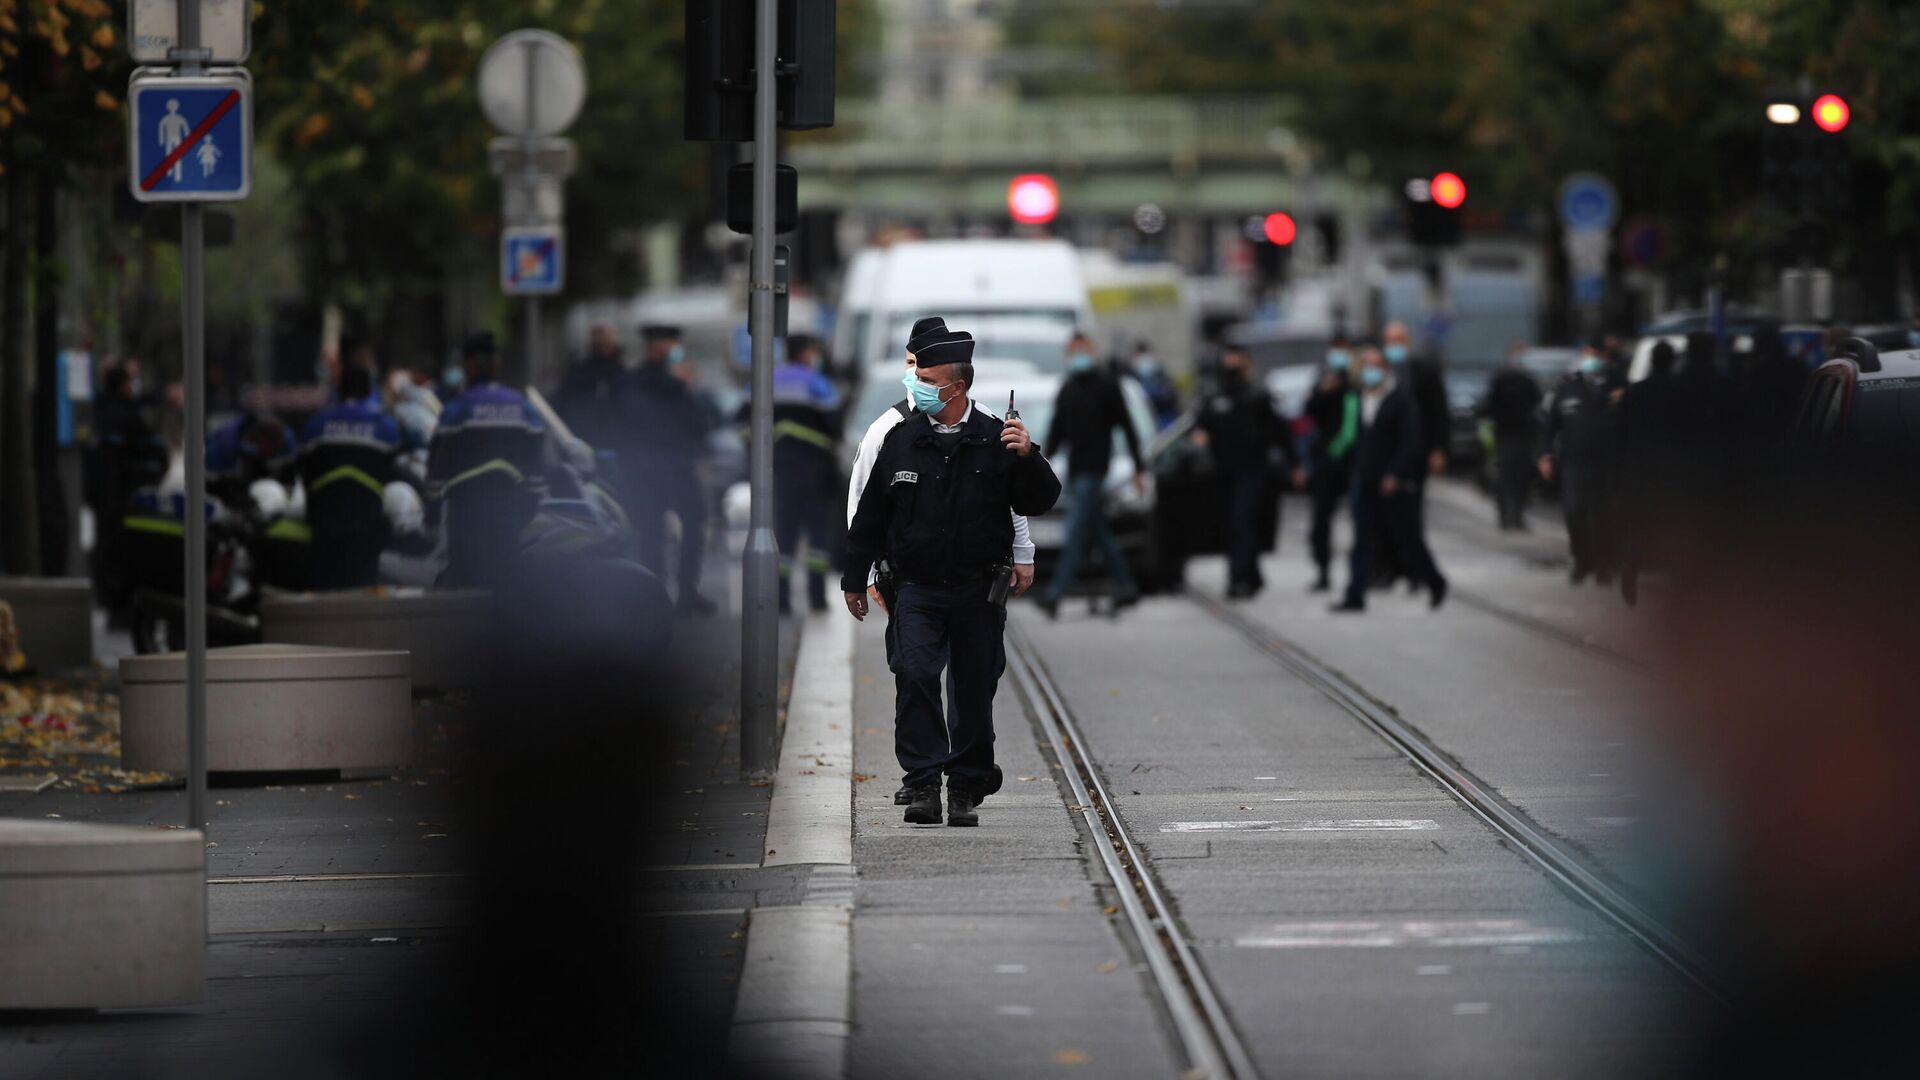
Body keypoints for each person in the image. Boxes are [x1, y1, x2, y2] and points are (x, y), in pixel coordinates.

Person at [842, 322, 1061, 827]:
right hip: (916, 587)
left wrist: (1029, 456)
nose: (916, 382)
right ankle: (921, 782)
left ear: (957, 387)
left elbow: (1036, 501)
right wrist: (857, 579)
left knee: (974, 687)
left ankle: (965, 784)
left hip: (977, 589)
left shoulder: (994, 438)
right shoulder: (898, 437)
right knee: (915, 674)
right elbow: (868, 515)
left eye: (928, 376)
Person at [1037, 331, 1147, 617]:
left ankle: (1055, 592)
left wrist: (1139, 467)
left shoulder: (1107, 386)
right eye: (1074, 351)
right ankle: (1126, 586)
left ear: (1092, 351)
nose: (1078, 356)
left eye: (1083, 350)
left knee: (1076, 531)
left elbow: (1127, 427)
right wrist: (1041, 466)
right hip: (1075, 470)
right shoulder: (1069, 387)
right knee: (1098, 532)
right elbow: (1056, 431)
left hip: (1096, 470)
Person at [427, 332, 548, 588]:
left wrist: (432, 513)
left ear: (469, 366)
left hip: (466, 509)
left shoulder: (458, 408)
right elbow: (537, 460)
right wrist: (532, 501)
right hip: (509, 506)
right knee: (506, 578)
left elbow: (437, 466)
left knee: (466, 579)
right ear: (497, 365)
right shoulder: (522, 406)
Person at [1332, 346, 1447, 612]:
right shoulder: (1358, 397)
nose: (1370, 372)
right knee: (1361, 540)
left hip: (1393, 482)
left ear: (1385, 369)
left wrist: (1396, 473)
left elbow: (1411, 440)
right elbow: (1354, 437)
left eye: (1375, 366)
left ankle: (1435, 581)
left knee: (1407, 538)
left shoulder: (1401, 399)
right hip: (1365, 479)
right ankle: (1355, 595)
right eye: (1366, 366)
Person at [624, 324, 717, 615]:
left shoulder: (675, 382)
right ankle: (661, 593)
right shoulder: (645, 382)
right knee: (653, 529)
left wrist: (689, 388)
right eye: (670, 343)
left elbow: (702, 422)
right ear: (655, 346)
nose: (674, 349)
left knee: (687, 524)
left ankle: (682, 592)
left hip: (671, 465)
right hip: (655, 466)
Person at [1192, 343, 1293, 599]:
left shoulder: (1257, 396)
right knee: (1235, 526)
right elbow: (1199, 430)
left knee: (1243, 522)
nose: (1232, 367)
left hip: (1252, 470)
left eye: (1237, 361)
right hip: (1224, 472)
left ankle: (1238, 578)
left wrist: (1295, 464)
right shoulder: (1214, 398)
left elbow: (1279, 432)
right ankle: (1252, 575)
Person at [754, 334, 843, 613]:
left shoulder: (768, 380)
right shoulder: (817, 383)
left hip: (779, 470)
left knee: (784, 536)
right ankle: (817, 597)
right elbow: (835, 424)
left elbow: (746, 421)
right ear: (805, 353)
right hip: (815, 470)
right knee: (818, 537)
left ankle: (781, 599)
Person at [301, 365, 402, 589]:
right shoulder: (384, 426)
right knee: (362, 587)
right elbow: (393, 472)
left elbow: (306, 470)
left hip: (324, 522)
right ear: (368, 390)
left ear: (340, 390)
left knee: (325, 586)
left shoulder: (316, 424)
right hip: (366, 520)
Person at [88, 360, 170, 617]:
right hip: (128, 496)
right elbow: (154, 450)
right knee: (126, 551)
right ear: (124, 385)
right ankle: (122, 605)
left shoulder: (98, 413)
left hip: (102, 496)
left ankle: (109, 600)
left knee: (106, 547)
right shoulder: (129, 416)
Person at [1540, 345, 1620, 585]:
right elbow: (1549, 425)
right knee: (1574, 511)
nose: (1589, 360)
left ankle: (1604, 565)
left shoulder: (1614, 383)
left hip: (1604, 461)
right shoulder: (1566, 388)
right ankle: (1582, 560)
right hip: (1573, 462)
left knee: (1602, 514)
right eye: (1586, 355)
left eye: (1593, 355)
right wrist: (1545, 455)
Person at [1299, 340, 1357, 592]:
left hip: (1351, 463)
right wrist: (1324, 390)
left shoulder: (1354, 387)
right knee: (1320, 522)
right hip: (1325, 465)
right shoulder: (1322, 383)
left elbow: (1351, 428)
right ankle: (1323, 571)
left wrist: (1337, 451)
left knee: (1365, 519)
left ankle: (1374, 570)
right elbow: (1308, 412)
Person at [1485, 346, 1545, 531]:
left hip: (1520, 435)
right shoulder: (1502, 380)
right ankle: (1507, 516)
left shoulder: (1526, 381)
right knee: (1508, 477)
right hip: (1508, 434)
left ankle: (1515, 516)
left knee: (1519, 478)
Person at [552, 324, 627, 458]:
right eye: (601, 343)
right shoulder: (580, 372)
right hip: (586, 437)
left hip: (612, 439)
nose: (604, 347)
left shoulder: (620, 373)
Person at [1127, 339, 1181, 430]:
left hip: (1167, 422)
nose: (1144, 360)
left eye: (1145, 355)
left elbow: (1172, 397)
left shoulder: (1160, 374)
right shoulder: (1132, 380)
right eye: (1140, 356)